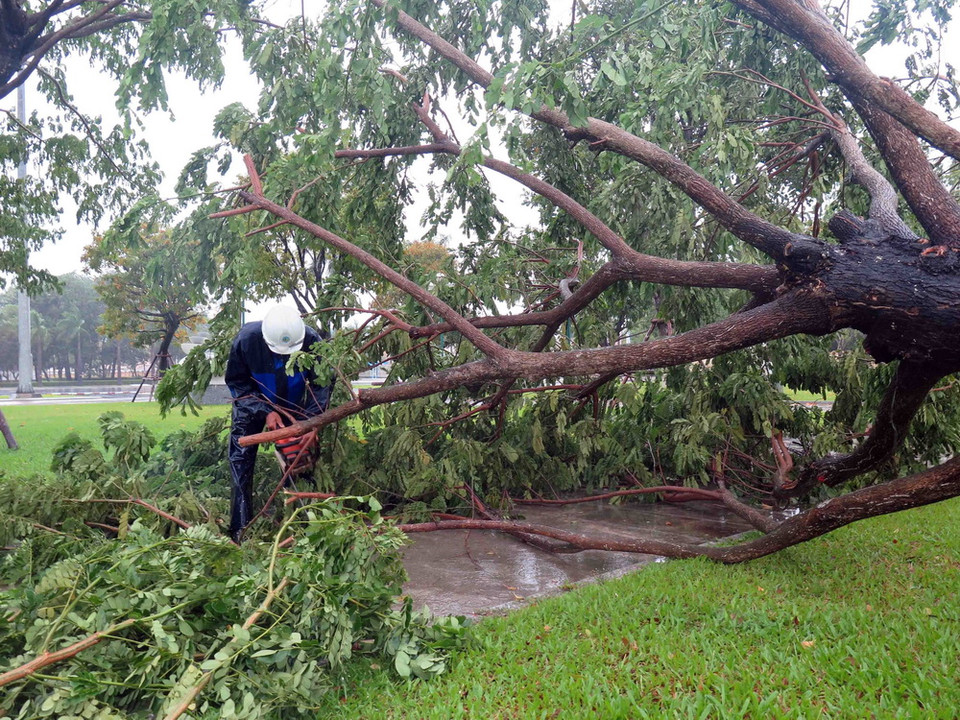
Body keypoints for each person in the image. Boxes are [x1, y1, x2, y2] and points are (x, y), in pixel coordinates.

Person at [224, 305, 334, 541]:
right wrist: (264, 411)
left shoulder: (312, 341)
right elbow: (238, 383)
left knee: (298, 456)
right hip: (253, 402)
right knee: (240, 459)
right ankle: (241, 528)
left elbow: (322, 385)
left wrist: (310, 423)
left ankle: (305, 522)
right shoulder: (246, 340)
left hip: (293, 404)